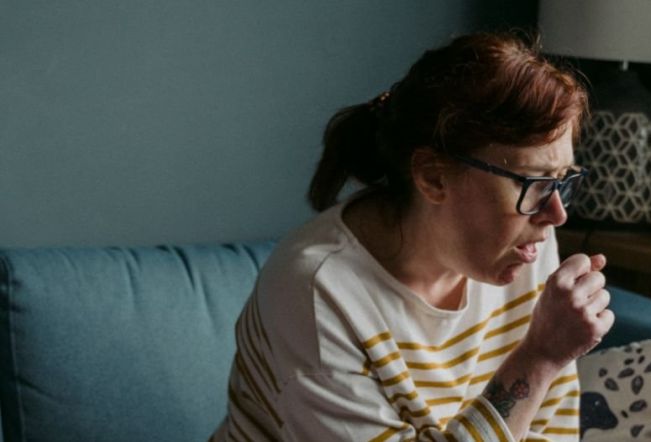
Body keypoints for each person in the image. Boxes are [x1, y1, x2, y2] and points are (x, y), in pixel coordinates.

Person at [211, 31, 614, 441]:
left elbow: (549, 432)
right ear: (433, 177)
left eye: (561, 180)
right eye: (533, 181)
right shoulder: (316, 292)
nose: (556, 214)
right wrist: (539, 358)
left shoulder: (525, 244)